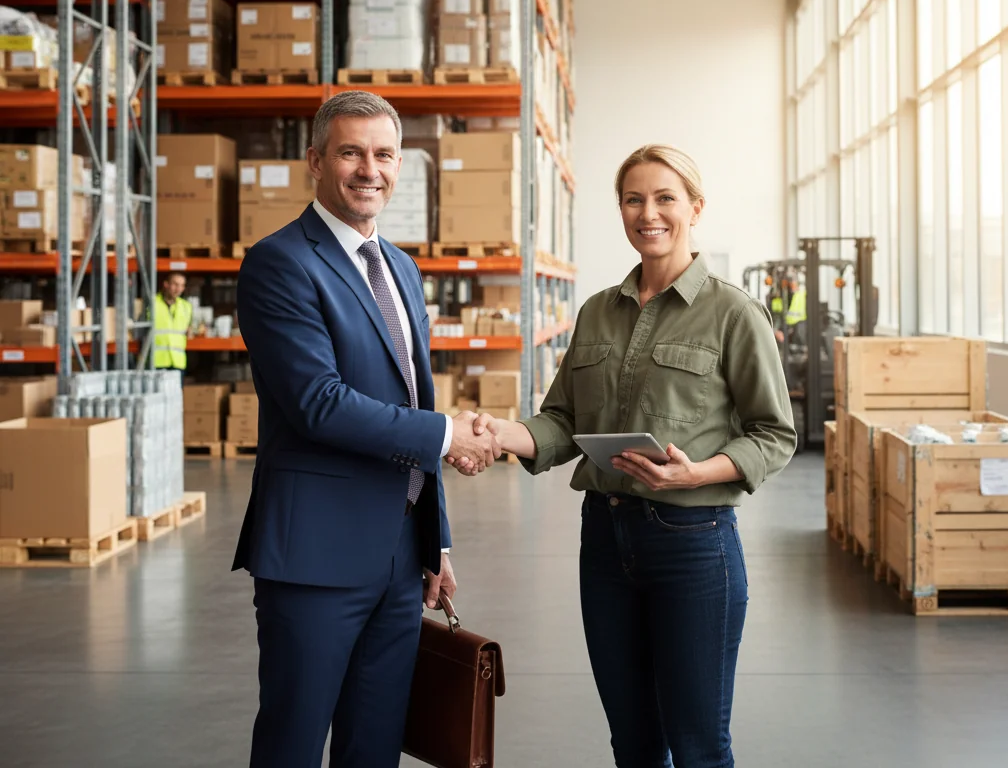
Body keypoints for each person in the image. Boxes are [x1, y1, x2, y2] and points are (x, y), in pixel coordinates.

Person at [459, 144, 797, 768]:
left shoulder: (733, 313)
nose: (650, 213)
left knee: (699, 746)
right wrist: (499, 435)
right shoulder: (597, 313)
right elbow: (562, 420)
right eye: (634, 199)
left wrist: (700, 473)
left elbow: (773, 433)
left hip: (694, 544)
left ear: (694, 208)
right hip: (606, 542)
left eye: (665, 198)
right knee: (634, 743)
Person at [232, 91, 499, 768]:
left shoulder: (402, 268)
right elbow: (318, 401)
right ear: (315, 162)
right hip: (316, 556)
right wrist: (446, 436)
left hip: (397, 558)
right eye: (350, 152)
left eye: (383, 154)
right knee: (294, 742)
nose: (368, 169)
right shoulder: (280, 263)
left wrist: (433, 541)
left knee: (375, 745)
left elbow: (413, 397)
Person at [153, 272, 191, 377]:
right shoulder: (152, 303)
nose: (178, 289)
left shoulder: (186, 306)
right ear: (166, 284)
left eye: (182, 285)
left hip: (178, 362)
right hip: (156, 361)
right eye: (175, 284)